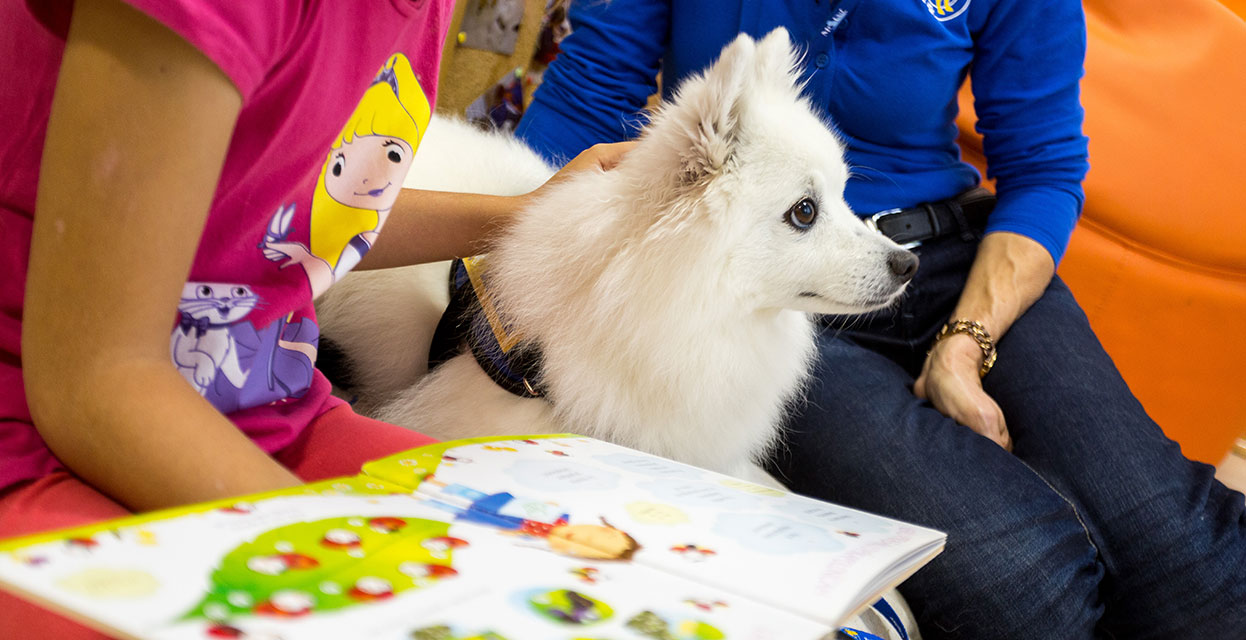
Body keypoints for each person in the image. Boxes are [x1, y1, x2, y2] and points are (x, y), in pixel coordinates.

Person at [513, 1, 1246, 638]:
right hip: (761, 288)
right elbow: (588, 91)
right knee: (1018, 576)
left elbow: (1045, 166)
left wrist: (967, 341)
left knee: (1180, 550)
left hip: (958, 257)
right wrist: (500, 265)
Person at [0, 1, 629, 637]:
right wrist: (349, 554)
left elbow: (286, 214)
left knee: (558, 564)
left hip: (268, 406)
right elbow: (95, 380)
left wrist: (525, 215)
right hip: (32, 434)